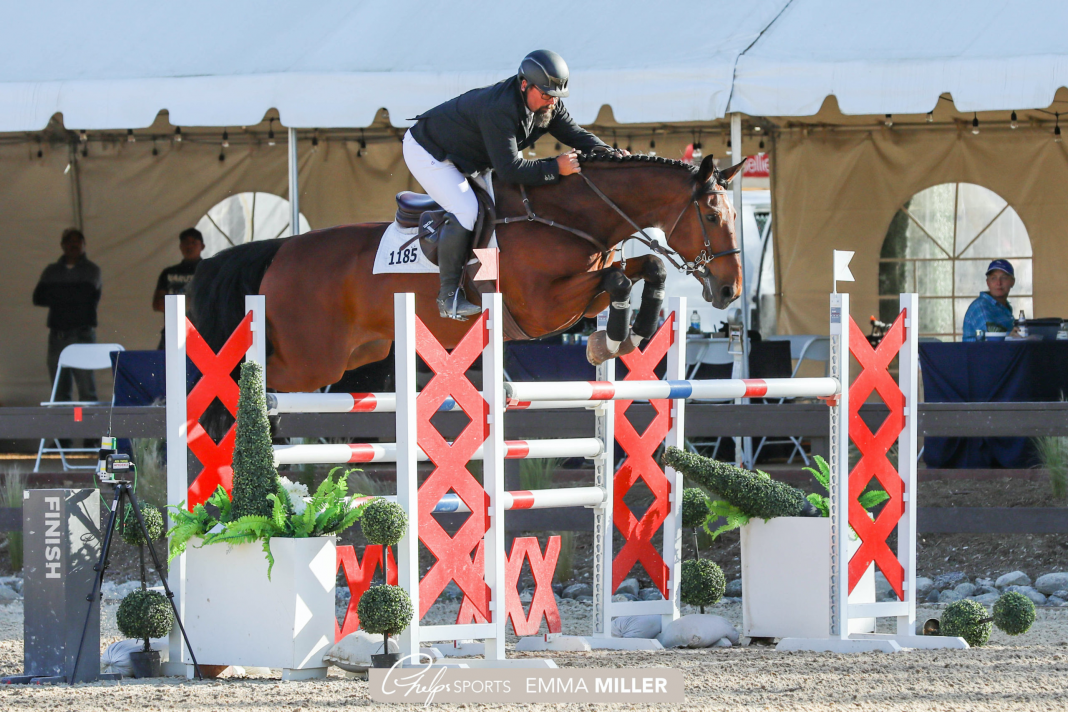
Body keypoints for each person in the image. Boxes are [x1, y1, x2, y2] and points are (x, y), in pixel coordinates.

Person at [405, 49, 623, 320]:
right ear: (524, 84)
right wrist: (556, 167)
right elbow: (509, 170)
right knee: (466, 209)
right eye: (546, 95)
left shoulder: (547, 103)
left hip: (469, 155)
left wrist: (610, 153)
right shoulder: (500, 109)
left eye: (556, 96)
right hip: (429, 151)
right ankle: (448, 296)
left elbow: (576, 134)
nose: (552, 102)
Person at [32, 228, 102, 401]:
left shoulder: (92, 269)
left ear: (84, 245)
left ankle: (88, 427)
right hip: (57, 336)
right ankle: (65, 427)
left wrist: (56, 293)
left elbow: (85, 295)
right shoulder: (51, 270)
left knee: (87, 390)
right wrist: (73, 292)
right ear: (62, 245)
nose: (74, 244)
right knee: (60, 393)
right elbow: (38, 297)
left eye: (78, 241)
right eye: (70, 241)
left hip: (82, 334)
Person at [152, 227, 204, 348]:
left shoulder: (209, 271)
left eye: (194, 243)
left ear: (202, 246)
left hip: (202, 332)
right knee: (164, 365)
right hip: (173, 331)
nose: (189, 246)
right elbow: (157, 304)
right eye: (185, 243)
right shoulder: (169, 272)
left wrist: (175, 303)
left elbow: (213, 302)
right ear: (180, 246)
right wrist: (190, 303)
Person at [962, 259, 1017, 341]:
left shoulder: (1004, 307)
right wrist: (1012, 336)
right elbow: (992, 341)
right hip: (981, 353)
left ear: (1012, 282)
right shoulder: (981, 306)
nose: (998, 283)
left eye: (1004, 278)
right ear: (988, 282)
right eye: (994, 278)